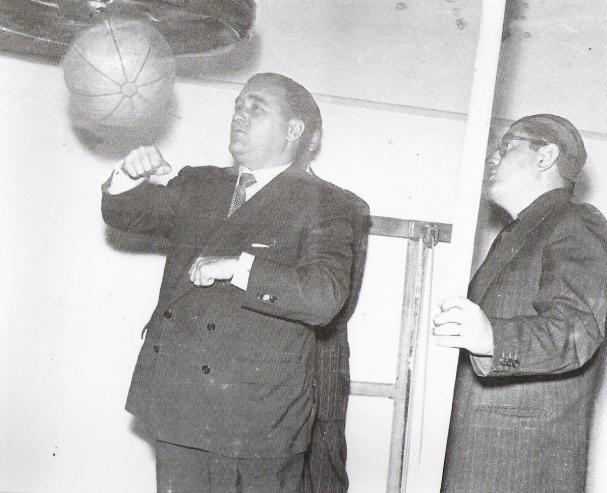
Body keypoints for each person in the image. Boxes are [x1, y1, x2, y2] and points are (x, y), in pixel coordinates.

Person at [101, 72, 369, 493]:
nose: (239, 116)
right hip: (179, 405)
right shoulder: (200, 184)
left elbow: (324, 296)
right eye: (238, 107)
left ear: (293, 130)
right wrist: (128, 177)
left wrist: (240, 268)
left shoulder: (329, 202)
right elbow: (125, 213)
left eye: (256, 108)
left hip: (257, 421)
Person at [434, 114, 607, 493]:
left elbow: (576, 331)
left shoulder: (576, 222)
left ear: (545, 156)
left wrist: (492, 339)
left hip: (519, 465)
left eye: (506, 147)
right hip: (487, 456)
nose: (492, 158)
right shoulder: (521, 231)